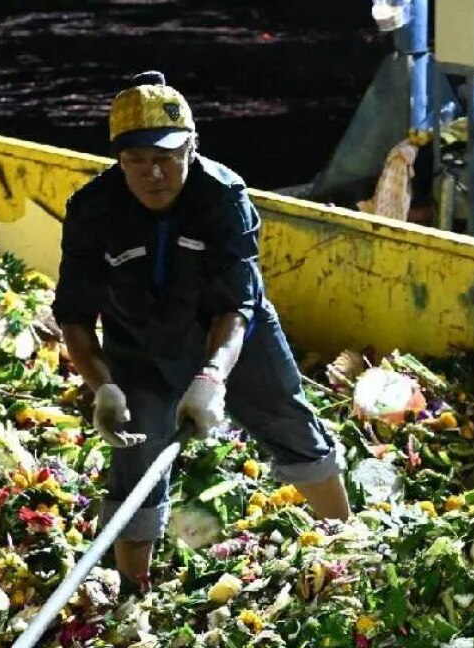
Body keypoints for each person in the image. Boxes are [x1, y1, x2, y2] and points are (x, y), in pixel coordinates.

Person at [53, 71, 352, 589]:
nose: (154, 174)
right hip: (141, 344)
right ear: (118, 160)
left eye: (168, 158)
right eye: (137, 161)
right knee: (136, 457)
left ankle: (350, 545)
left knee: (289, 419)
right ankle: (131, 597)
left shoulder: (223, 198)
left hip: (235, 335)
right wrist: (103, 386)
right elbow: (74, 315)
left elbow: (237, 305)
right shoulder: (92, 211)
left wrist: (212, 378)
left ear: (193, 147)